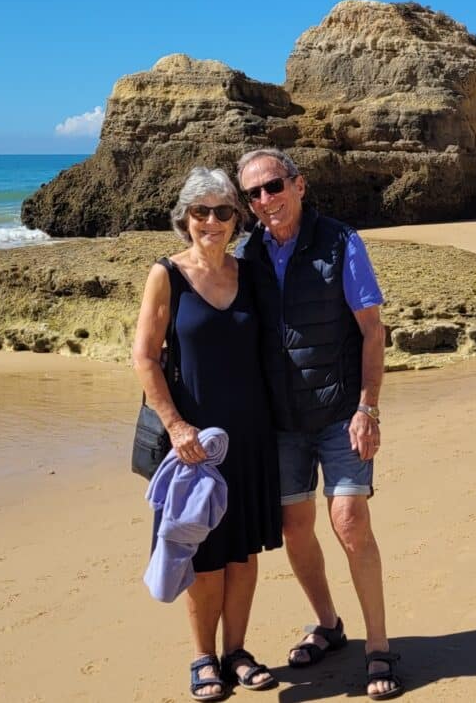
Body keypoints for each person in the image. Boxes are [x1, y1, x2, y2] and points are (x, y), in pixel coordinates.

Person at [235, 149, 403, 700]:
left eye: (274, 186)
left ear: (299, 185)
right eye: (253, 193)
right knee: (293, 526)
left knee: (350, 520)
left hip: (339, 413)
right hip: (281, 419)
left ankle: (378, 647)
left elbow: (373, 330)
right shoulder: (248, 253)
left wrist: (368, 406)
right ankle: (329, 625)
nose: (265, 200)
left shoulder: (341, 242)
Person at [132, 167, 283, 701]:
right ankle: (203, 658)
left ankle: (237, 651)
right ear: (185, 219)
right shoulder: (166, 275)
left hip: (250, 436)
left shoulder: (249, 274)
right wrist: (175, 426)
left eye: (222, 211)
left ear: (237, 220)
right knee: (202, 553)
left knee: (243, 553)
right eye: (201, 212)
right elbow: (145, 358)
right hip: (195, 445)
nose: (212, 221)